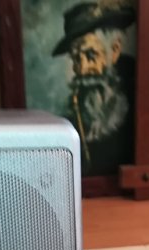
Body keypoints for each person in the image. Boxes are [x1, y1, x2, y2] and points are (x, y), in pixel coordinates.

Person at [52, 1, 135, 176]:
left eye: (91, 55)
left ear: (114, 50)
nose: (81, 69)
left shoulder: (137, 89)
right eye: (76, 58)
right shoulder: (72, 112)